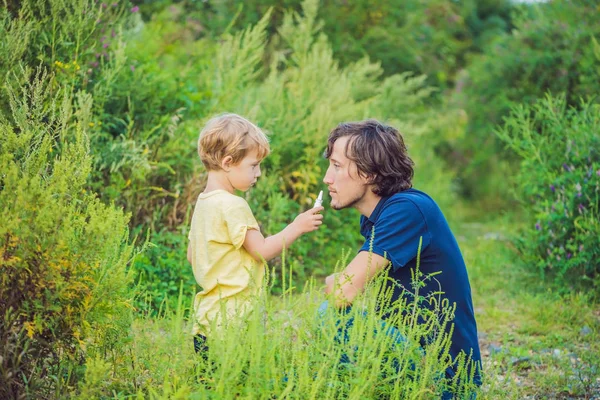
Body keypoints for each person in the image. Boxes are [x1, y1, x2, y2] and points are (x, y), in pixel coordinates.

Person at [321, 119, 482, 394]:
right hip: (417, 365)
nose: (327, 177)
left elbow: (342, 291)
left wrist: (333, 279)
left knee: (331, 315)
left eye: (337, 166)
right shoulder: (379, 216)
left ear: (368, 172)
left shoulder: (407, 210)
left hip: (448, 381)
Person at [187, 113, 324, 355]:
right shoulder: (233, 205)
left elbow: (192, 255)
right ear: (228, 162)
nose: (258, 173)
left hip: (206, 320)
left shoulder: (203, 203)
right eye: (254, 165)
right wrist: (297, 226)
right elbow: (261, 251)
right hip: (235, 321)